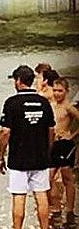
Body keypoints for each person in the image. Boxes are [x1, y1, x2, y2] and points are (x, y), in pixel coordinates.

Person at [0, 64, 55, 229]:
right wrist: (48, 149)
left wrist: (1, 155)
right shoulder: (43, 102)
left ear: (18, 81)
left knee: (19, 196)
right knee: (41, 195)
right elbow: (51, 130)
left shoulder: (11, 103)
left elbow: (5, 132)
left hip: (19, 158)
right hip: (40, 157)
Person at [48, 77, 79, 218]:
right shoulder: (50, 105)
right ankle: (55, 205)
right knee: (48, 177)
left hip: (65, 144)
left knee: (67, 178)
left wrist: (71, 136)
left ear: (67, 91)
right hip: (52, 144)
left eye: (60, 91)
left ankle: (69, 209)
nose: (57, 93)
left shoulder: (69, 107)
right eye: (54, 90)